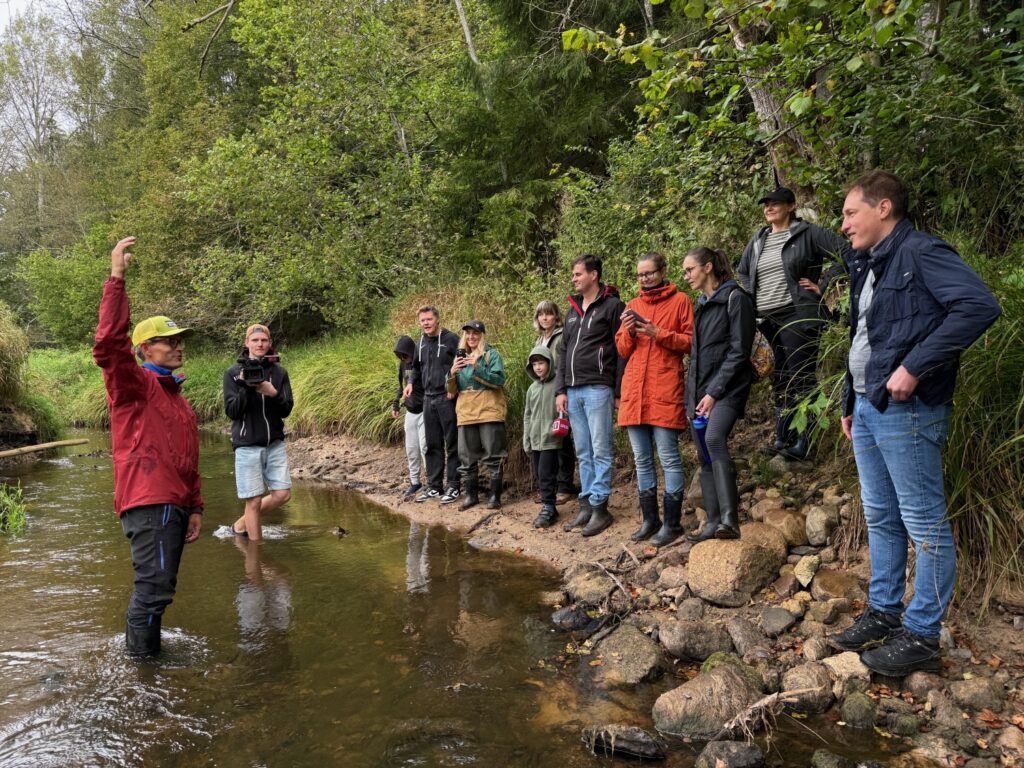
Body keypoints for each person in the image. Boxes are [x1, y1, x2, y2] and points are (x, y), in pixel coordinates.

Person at [829, 170, 1000, 676]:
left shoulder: (922, 252)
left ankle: (922, 633)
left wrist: (915, 366)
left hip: (910, 410)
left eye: (849, 212)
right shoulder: (868, 262)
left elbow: (978, 306)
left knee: (925, 524)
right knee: (880, 516)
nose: (843, 224)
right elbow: (864, 337)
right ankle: (884, 613)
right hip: (867, 408)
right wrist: (848, 399)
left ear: (883, 208)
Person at [93, 236, 203, 657]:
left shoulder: (179, 401)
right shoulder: (133, 385)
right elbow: (108, 347)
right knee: (153, 591)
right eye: (168, 340)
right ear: (144, 350)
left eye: (179, 340)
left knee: (161, 591)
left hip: (172, 504)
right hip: (148, 501)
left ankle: (143, 661)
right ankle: (140, 671)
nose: (177, 345)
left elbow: (188, 460)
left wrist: (195, 508)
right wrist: (116, 279)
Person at [737, 186, 850, 460]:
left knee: (802, 377)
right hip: (766, 319)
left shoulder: (807, 233)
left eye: (775, 203)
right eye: (766, 204)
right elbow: (743, 272)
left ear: (790, 206)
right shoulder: (758, 240)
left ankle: (805, 442)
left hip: (798, 314)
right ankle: (782, 438)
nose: (769, 208)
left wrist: (823, 283)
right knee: (779, 378)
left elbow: (846, 251)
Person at [615, 253, 694, 547]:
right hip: (635, 392)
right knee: (642, 459)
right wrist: (632, 332)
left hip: (664, 389)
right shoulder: (632, 305)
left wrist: (657, 333)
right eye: (640, 275)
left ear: (662, 272)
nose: (644, 279)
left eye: (649, 273)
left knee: (669, 458)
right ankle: (650, 520)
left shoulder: (681, 301)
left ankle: (672, 523)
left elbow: (690, 342)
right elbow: (622, 349)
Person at [682, 247, 756, 542]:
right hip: (700, 392)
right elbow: (698, 356)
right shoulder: (700, 304)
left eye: (690, 269)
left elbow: (740, 352)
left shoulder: (736, 298)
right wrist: (693, 397)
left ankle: (730, 520)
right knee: (703, 454)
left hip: (729, 388)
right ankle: (712, 522)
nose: (685, 275)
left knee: (714, 439)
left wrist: (713, 392)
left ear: (708, 267)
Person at [555, 254, 626, 537]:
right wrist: (561, 390)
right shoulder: (572, 310)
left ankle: (600, 508)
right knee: (583, 451)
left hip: (598, 387)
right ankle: (585, 505)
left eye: (578, 274)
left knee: (601, 449)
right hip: (573, 390)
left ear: (594, 275)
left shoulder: (612, 306)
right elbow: (563, 352)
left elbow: (622, 351)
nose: (574, 278)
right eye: (573, 274)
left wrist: (619, 391)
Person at [223, 324, 294, 541]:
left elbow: (287, 409)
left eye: (264, 340)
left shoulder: (279, 373)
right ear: (247, 343)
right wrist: (246, 387)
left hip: (274, 443)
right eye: (255, 340)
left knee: (282, 494)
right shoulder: (233, 373)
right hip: (246, 445)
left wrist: (273, 393)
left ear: (269, 343)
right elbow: (232, 412)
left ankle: (240, 525)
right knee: (252, 501)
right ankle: (255, 553)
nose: (260, 344)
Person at [447, 320, 508, 510]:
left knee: (493, 454)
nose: (471, 337)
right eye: (468, 333)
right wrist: (452, 373)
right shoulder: (460, 357)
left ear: (482, 336)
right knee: (466, 456)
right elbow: (451, 391)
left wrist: (477, 367)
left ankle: (494, 497)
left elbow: (499, 381)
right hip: (466, 411)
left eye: (475, 333)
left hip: (489, 410)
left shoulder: (491, 355)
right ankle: (471, 496)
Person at [406, 306, 461, 504]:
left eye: (429, 319)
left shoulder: (451, 339)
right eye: (423, 320)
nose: (426, 323)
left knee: (452, 443)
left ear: (437, 320)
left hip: (447, 397)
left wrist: (454, 386)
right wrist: (411, 383)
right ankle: (435, 486)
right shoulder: (420, 342)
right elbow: (416, 368)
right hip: (427, 399)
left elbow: (461, 364)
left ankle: (454, 486)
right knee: (432, 444)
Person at [533, 300, 577, 504]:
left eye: (548, 314)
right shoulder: (539, 340)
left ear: (556, 317)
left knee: (562, 437)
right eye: (541, 315)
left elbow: (563, 365)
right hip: (543, 393)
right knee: (550, 436)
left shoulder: (560, 337)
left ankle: (565, 486)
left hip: (559, 391)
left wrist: (563, 390)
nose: (544, 318)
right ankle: (549, 486)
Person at [522, 345, 563, 528]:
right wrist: (527, 438)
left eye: (541, 363)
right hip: (535, 439)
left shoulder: (557, 385)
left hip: (551, 438)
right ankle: (548, 504)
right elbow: (528, 414)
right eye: (535, 364)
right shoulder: (532, 388)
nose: (538, 367)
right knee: (539, 474)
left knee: (547, 473)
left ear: (549, 363)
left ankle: (549, 507)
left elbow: (564, 409)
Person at [392, 335, 426, 500]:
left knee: (426, 447)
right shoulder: (403, 364)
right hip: (411, 411)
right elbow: (402, 386)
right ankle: (415, 482)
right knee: (411, 448)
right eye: (401, 356)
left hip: (425, 410)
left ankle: (432, 483)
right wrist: (396, 403)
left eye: (405, 355)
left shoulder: (421, 362)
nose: (404, 359)